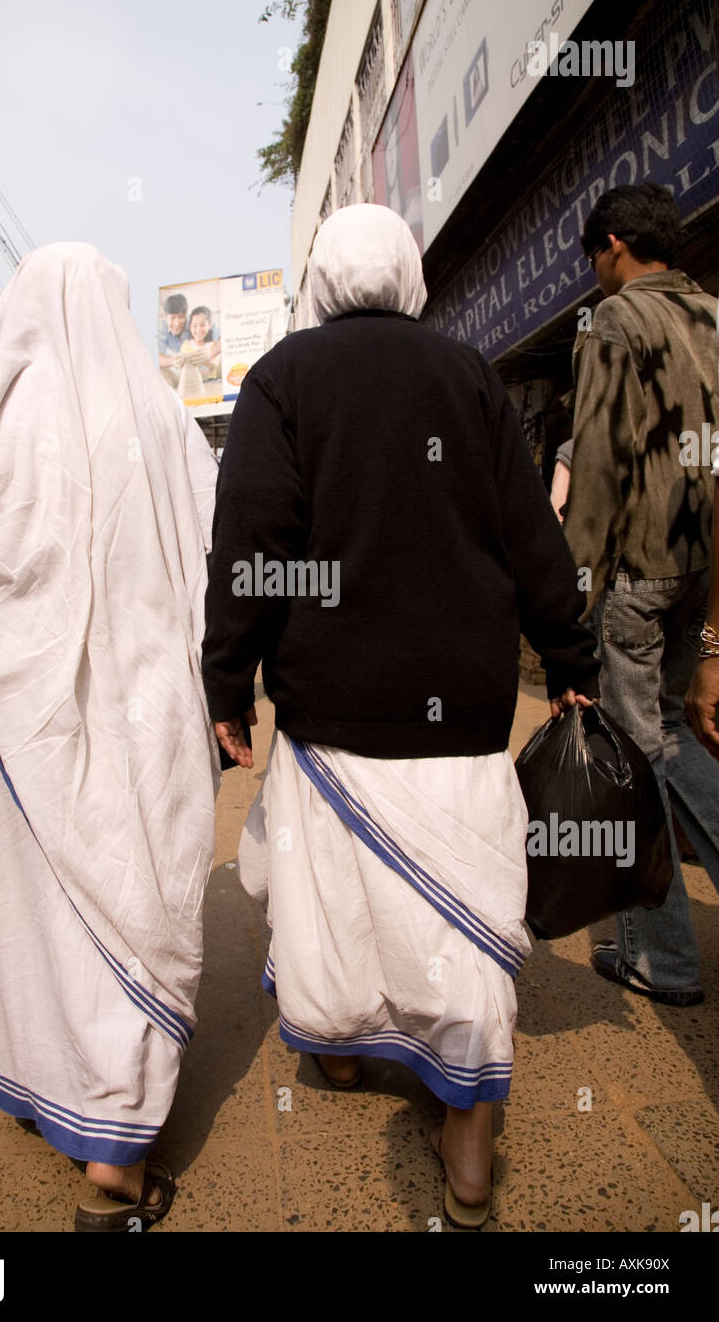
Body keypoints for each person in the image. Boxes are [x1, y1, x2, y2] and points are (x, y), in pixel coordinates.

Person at [202, 203, 599, 1228]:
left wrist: (225, 681)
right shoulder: (467, 375)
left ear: (324, 281)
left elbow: (252, 536)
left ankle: (339, 1046)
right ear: (408, 276)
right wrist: (566, 654)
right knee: (455, 903)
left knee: (336, 895)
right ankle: (466, 1136)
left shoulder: (281, 379)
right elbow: (527, 534)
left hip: (333, 701)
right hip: (460, 704)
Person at [0, 242, 220, 1231]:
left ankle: (56, 1092)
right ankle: (115, 1159)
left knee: (31, 909)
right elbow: (215, 555)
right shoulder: (163, 420)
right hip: (142, 710)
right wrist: (229, 692)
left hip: (9, 732)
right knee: (136, 887)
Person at [564, 182, 719, 1007]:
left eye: (595, 257)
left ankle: (662, 959)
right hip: (704, 571)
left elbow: (595, 473)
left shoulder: (614, 324)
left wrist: (571, 595)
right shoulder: (715, 315)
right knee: (678, 735)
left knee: (636, 758)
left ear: (615, 244)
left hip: (639, 575)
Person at [158, 293, 221, 388]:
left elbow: (224, 339)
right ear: (166, 316)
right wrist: (173, 361)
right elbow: (155, 357)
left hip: (205, 369)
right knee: (161, 372)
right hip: (180, 371)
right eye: (173, 318)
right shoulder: (162, 327)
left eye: (181, 317)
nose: (177, 322)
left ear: (186, 313)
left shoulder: (196, 321)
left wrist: (210, 353)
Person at [179, 306, 221, 383]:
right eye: (194, 326)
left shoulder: (213, 345)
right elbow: (182, 368)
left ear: (210, 325)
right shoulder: (186, 345)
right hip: (192, 382)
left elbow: (215, 364)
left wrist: (202, 359)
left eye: (202, 325)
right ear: (190, 327)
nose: (198, 329)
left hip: (211, 381)